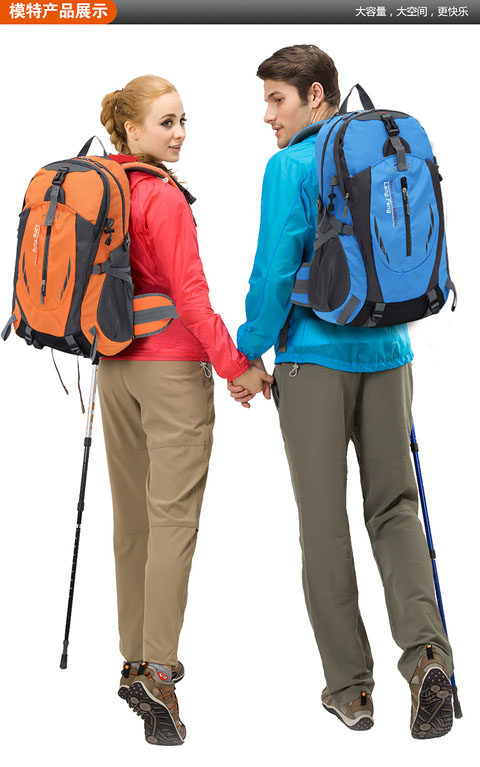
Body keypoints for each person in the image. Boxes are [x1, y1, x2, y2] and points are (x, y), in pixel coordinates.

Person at [228, 45, 454, 738]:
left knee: (324, 525)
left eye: (277, 99)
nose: (267, 115)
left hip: (313, 363)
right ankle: (428, 660)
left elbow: (273, 273)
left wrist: (246, 351)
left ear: (317, 95)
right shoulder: (383, 152)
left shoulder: (290, 166)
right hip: (390, 354)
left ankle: (352, 689)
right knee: (396, 509)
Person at [96, 74, 273, 747]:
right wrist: (237, 366)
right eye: (165, 122)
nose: (179, 134)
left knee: (133, 523)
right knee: (172, 523)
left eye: (182, 120)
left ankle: (133, 658)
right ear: (131, 129)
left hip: (114, 370)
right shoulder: (162, 196)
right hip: (170, 373)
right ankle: (159, 672)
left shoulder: (106, 189)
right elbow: (193, 300)